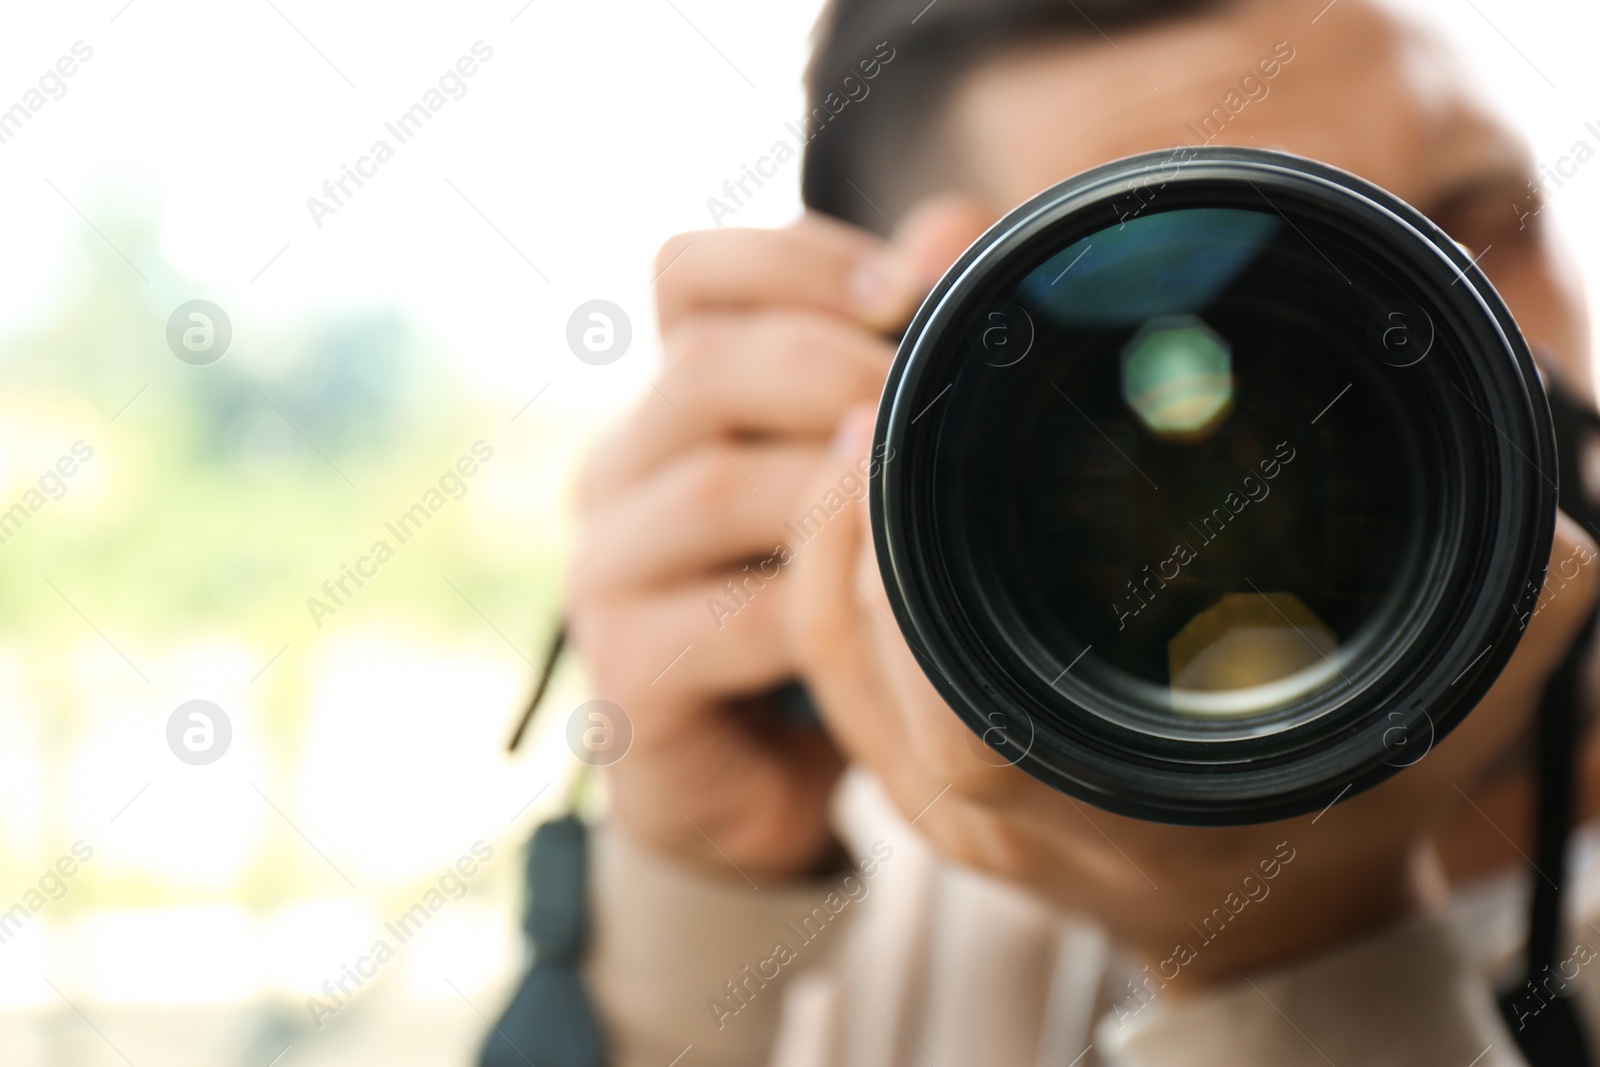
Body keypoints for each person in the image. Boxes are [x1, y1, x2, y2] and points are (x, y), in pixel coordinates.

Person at [561, 0, 1600, 1062]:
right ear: (922, 415)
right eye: (1186, 294)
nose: (1435, 362)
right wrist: (687, 914)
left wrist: (1289, 949)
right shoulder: (896, 924)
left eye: (1476, 230)